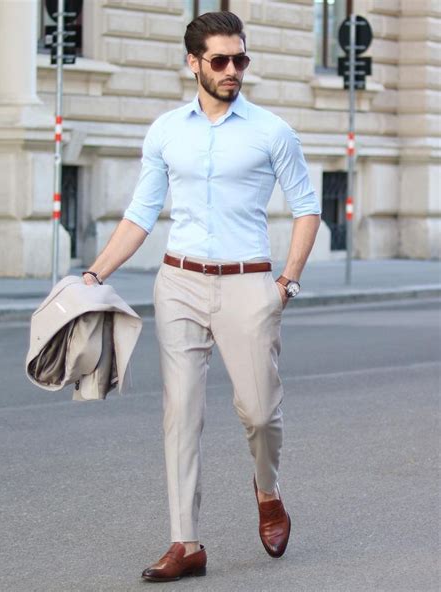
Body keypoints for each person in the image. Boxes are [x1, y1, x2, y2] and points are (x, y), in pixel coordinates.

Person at [83, 11, 321, 583]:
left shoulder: (272, 131)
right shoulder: (166, 130)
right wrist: (93, 275)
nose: (233, 70)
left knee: (260, 413)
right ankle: (186, 542)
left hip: (249, 283)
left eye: (241, 59)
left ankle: (268, 492)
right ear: (193, 63)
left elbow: (306, 206)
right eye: (220, 60)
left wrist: (286, 281)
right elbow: (142, 214)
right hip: (180, 283)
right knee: (180, 414)